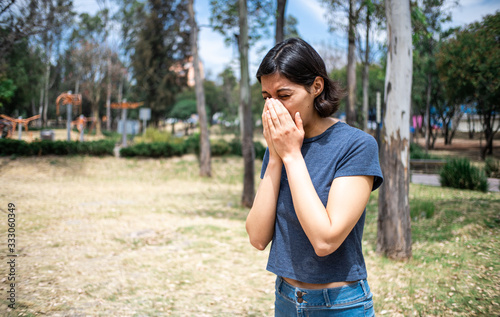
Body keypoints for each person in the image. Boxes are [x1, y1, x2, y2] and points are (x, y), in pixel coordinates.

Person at [245, 38, 383, 316]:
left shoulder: (356, 145)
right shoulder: (280, 147)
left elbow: (325, 241)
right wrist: (275, 157)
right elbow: (258, 238)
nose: (274, 108)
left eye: (284, 96)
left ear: (316, 87)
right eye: (266, 98)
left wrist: (292, 156)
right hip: (286, 298)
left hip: (340, 304)